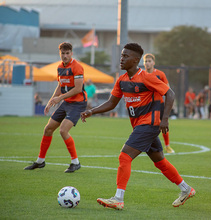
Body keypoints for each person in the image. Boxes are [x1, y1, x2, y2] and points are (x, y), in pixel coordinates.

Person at [81, 43, 195, 210]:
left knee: (124, 156)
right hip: (140, 126)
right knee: (160, 162)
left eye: (125, 56)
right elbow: (112, 103)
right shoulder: (121, 81)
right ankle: (186, 189)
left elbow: (170, 93)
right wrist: (92, 111)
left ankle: (118, 198)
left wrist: (165, 119)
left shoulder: (146, 77)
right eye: (121, 55)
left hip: (149, 124)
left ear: (135, 60)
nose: (121, 59)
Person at [24, 42, 87, 173]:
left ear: (71, 53)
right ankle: (40, 161)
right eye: (62, 53)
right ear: (60, 54)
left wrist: (60, 98)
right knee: (48, 129)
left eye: (67, 53)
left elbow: (78, 89)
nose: (65, 56)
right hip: (66, 102)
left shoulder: (77, 67)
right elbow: (60, 86)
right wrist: (51, 101)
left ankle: (75, 162)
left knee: (63, 130)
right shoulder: (59, 67)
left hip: (78, 103)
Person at [143, 53, 175, 154]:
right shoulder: (142, 75)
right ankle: (145, 144)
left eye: (149, 61)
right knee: (145, 124)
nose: (147, 63)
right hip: (146, 105)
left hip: (158, 104)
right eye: (146, 61)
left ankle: (167, 146)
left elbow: (168, 89)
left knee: (162, 125)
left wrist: (169, 104)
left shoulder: (160, 74)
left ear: (153, 63)